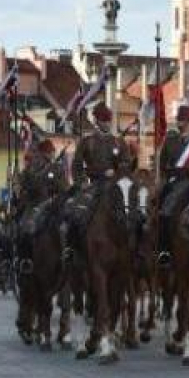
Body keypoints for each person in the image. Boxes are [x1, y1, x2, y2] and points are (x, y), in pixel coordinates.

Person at [61, 101, 132, 261]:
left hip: (115, 185)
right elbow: (76, 166)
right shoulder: (87, 142)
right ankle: (71, 249)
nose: (107, 123)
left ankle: (133, 250)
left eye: (108, 120)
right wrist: (82, 183)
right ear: (97, 121)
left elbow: (126, 163)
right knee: (76, 211)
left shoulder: (118, 142)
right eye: (103, 120)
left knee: (133, 211)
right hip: (92, 185)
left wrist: (117, 170)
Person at [156, 104, 189, 267]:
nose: (181, 124)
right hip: (175, 182)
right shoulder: (170, 140)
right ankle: (165, 250)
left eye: (185, 121)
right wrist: (166, 176)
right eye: (180, 121)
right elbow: (162, 162)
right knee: (164, 212)